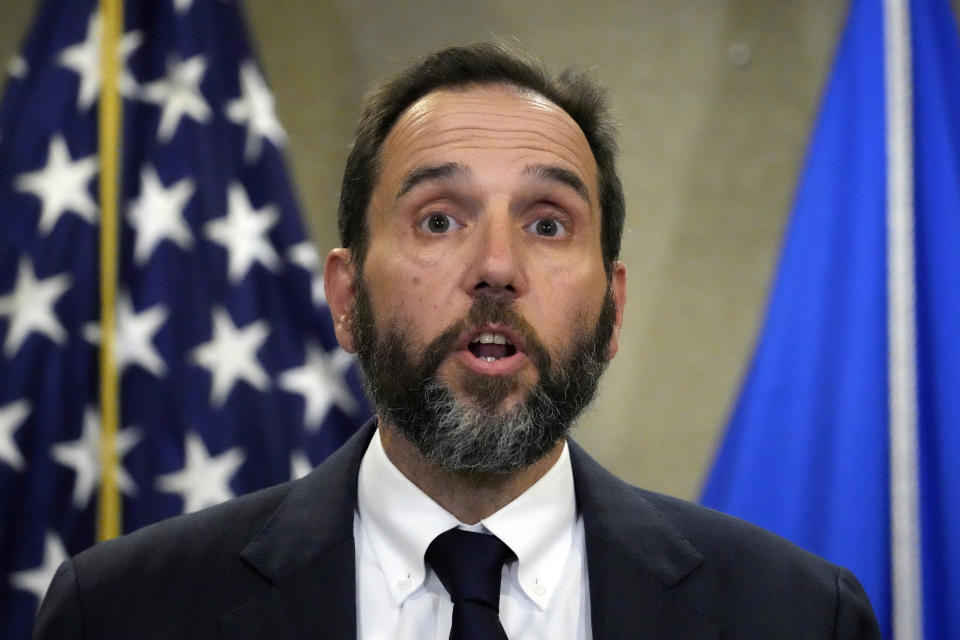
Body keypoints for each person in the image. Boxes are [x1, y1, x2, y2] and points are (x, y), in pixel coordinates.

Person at [34, 43, 880, 639]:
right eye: (439, 219)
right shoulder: (119, 613)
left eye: (549, 224)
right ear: (346, 298)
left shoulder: (801, 617)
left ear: (613, 309)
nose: (497, 267)